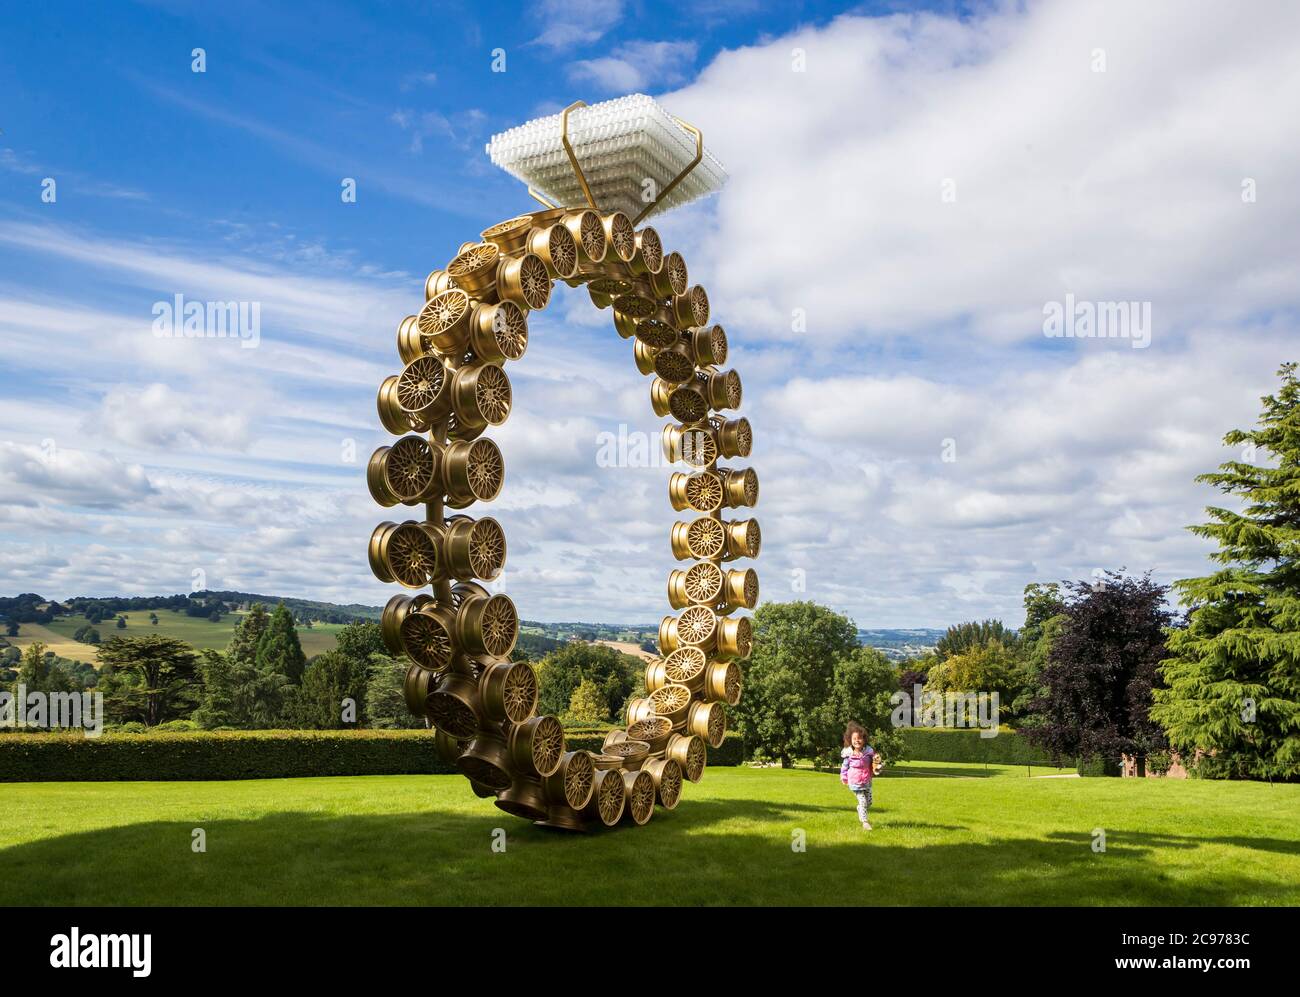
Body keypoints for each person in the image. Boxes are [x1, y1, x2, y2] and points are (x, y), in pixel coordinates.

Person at [840, 721, 882, 830]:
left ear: (864, 740)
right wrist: (844, 778)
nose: (857, 741)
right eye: (854, 739)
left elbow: (875, 763)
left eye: (859, 738)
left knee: (869, 802)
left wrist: (877, 767)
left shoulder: (868, 752)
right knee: (863, 801)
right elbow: (844, 767)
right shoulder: (848, 754)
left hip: (866, 781)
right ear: (850, 740)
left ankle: (860, 808)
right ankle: (865, 822)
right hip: (855, 781)